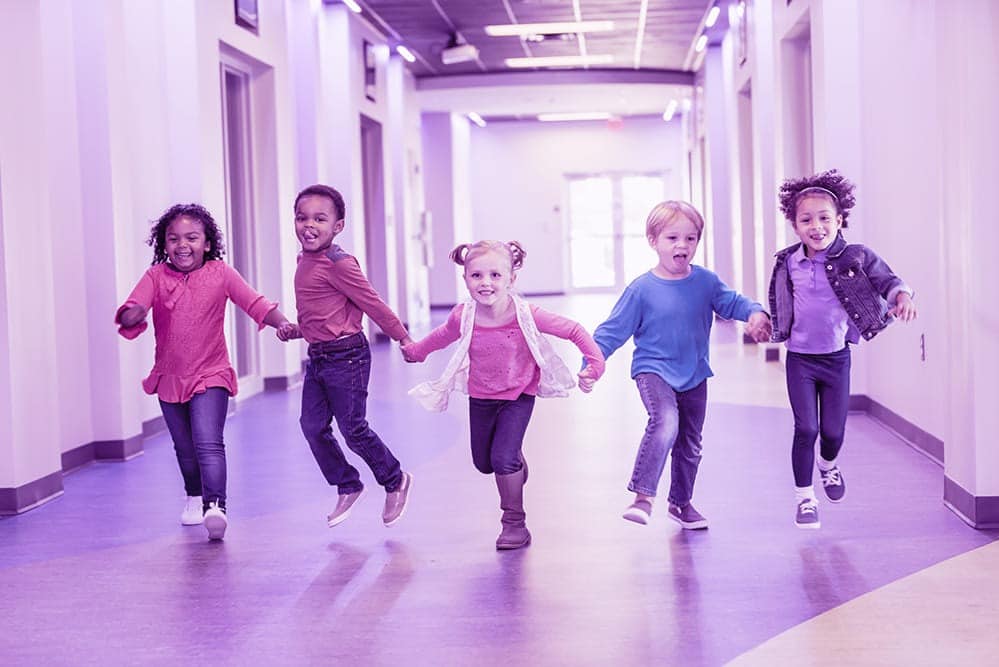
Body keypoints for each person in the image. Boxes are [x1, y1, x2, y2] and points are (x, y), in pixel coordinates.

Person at [402, 240, 604, 550]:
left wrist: (595, 363)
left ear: (511, 279)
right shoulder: (463, 315)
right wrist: (417, 352)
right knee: (484, 462)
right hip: (481, 396)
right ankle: (514, 463)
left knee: (502, 458)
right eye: (477, 276)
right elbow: (442, 336)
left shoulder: (526, 313)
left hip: (518, 393)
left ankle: (514, 525)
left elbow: (574, 330)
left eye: (496, 275)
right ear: (465, 278)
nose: (486, 283)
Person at [583, 201, 771, 530]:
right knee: (665, 420)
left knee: (690, 443)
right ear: (653, 241)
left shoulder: (705, 282)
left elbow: (733, 302)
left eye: (690, 238)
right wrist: (592, 363)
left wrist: (755, 313)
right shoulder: (641, 289)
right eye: (672, 238)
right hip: (653, 369)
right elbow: (611, 331)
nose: (682, 245)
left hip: (694, 372)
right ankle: (643, 496)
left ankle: (681, 503)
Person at [116, 203, 296, 541]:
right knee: (184, 447)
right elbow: (132, 308)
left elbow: (255, 303)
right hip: (169, 375)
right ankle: (194, 496)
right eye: (173, 239)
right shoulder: (156, 277)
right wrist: (132, 314)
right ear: (163, 245)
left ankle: (216, 506)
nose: (182, 245)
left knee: (208, 442)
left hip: (210, 373)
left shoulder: (221, 273)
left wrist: (282, 323)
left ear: (207, 243)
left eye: (192, 238)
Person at [768, 169, 916, 529]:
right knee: (806, 429)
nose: (815, 226)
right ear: (795, 224)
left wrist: (902, 296)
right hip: (800, 359)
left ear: (839, 220)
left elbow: (889, 280)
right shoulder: (787, 262)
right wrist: (769, 327)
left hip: (836, 359)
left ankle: (828, 466)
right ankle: (805, 498)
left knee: (832, 432)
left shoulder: (857, 256)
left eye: (824, 218)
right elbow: (779, 300)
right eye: (806, 220)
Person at [291, 184, 415, 529]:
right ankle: (347, 483)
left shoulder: (339, 263)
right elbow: (322, 313)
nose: (309, 225)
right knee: (312, 426)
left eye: (319, 218)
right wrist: (296, 329)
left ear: (338, 225)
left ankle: (395, 479)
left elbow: (372, 303)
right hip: (318, 357)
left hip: (348, 357)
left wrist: (403, 338)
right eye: (301, 218)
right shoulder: (305, 261)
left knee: (353, 429)